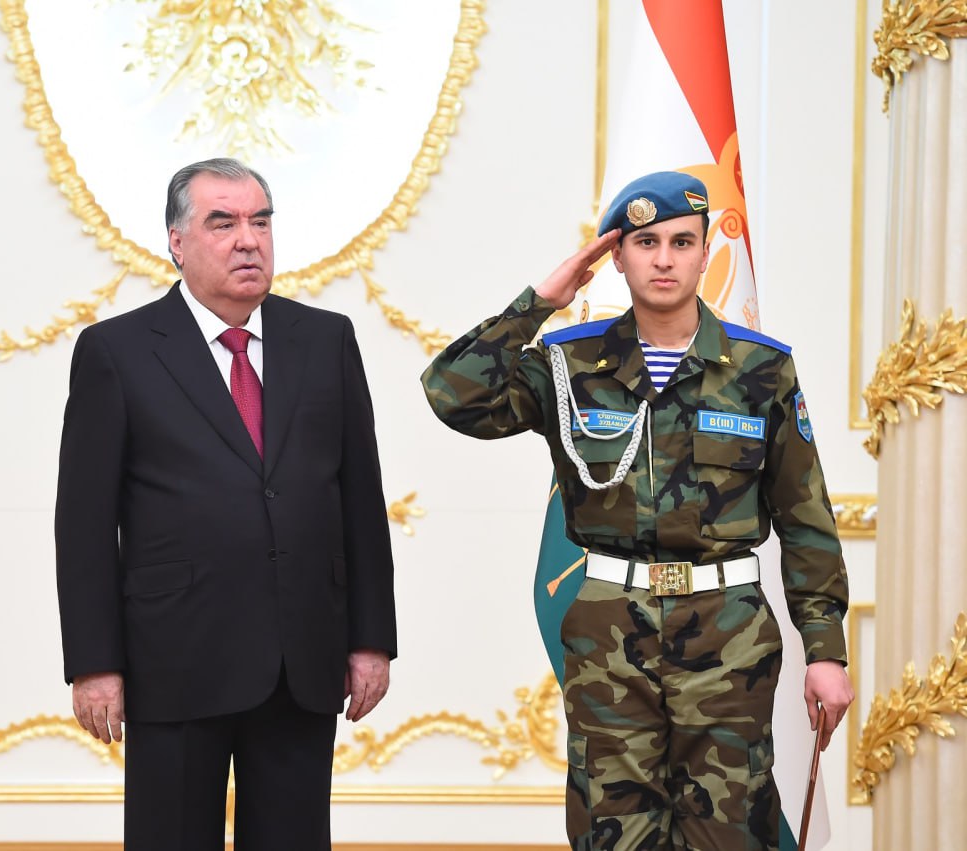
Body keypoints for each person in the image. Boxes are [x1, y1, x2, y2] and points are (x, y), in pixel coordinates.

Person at [420, 171, 853, 849]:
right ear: (616, 256)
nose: (664, 259)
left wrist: (825, 650)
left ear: (705, 253)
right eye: (646, 242)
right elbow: (455, 394)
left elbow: (805, 517)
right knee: (613, 832)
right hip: (610, 632)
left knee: (730, 833)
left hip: (728, 635)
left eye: (682, 242)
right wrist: (539, 303)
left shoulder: (760, 369)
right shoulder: (568, 364)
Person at [56, 157, 397, 851]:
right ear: (177, 242)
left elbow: (361, 499)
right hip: (173, 659)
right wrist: (95, 662)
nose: (248, 240)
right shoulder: (117, 351)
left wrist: (371, 639)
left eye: (260, 221)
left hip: (303, 660)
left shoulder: (325, 340)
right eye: (223, 223)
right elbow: (84, 524)